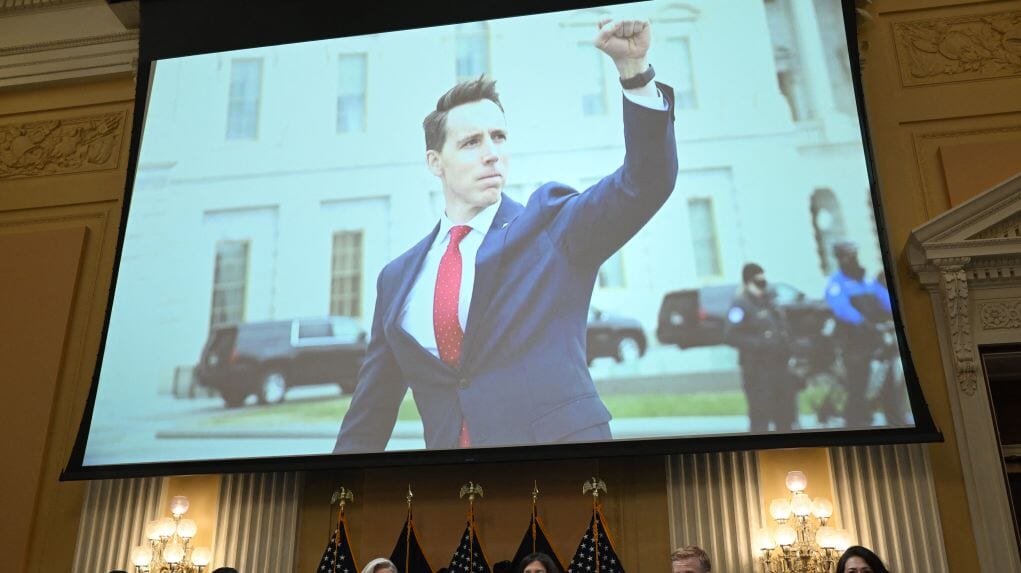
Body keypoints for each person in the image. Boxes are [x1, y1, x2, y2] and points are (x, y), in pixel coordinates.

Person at [333, 18, 678, 452]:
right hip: (456, 496)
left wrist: (635, 73)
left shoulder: (551, 226)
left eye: (498, 137)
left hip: (560, 476)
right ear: (435, 163)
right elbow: (371, 413)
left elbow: (643, 184)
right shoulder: (396, 279)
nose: (492, 153)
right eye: (471, 142)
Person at [823, 241, 904, 427]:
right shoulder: (836, 283)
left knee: (888, 386)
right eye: (848, 256)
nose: (853, 259)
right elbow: (842, 308)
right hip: (854, 345)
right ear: (840, 258)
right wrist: (863, 323)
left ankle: (896, 423)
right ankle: (856, 424)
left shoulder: (866, 280)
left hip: (877, 341)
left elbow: (885, 299)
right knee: (858, 387)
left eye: (854, 255)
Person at [724, 263, 798, 432]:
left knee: (785, 413)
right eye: (759, 282)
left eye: (764, 281)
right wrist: (759, 343)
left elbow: (783, 329)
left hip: (779, 365)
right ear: (748, 282)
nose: (763, 286)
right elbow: (730, 335)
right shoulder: (740, 304)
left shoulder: (770, 302)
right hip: (757, 368)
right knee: (760, 415)